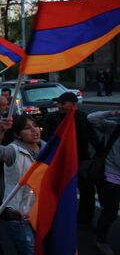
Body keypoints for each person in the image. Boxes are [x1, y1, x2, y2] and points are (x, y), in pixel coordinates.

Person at [0, 115, 45, 255]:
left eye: (35, 125)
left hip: (38, 212)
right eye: (28, 128)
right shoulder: (14, 150)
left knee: (26, 253)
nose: (34, 130)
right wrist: (0, 131)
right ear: (18, 135)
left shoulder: (46, 149)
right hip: (17, 214)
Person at [42, 92, 97, 228]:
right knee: (61, 192)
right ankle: (60, 219)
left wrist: (100, 155)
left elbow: (93, 137)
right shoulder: (50, 118)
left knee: (87, 192)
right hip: (59, 162)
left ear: (73, 105)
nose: (59, 106)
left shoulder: (83, 118)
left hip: (82, 160)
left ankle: (85, 220)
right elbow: (45, 141)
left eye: (62, 103)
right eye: (58, 103)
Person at [87, 110, 120, 255]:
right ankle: (101, 241)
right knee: (110, 212)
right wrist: (114, 112)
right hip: (110, 177)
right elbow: (91, 118)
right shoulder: (112, 127)